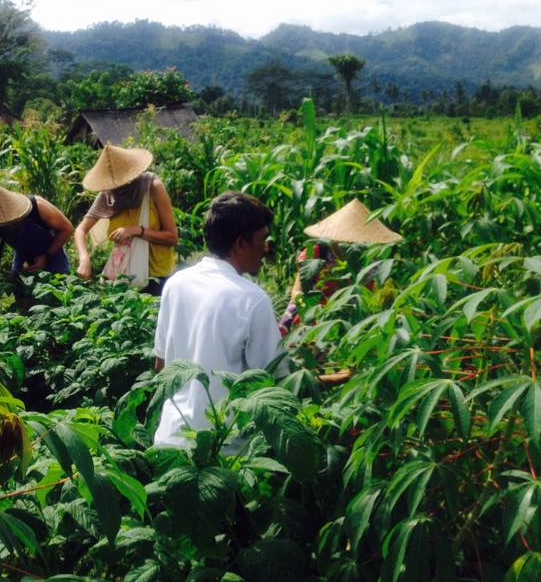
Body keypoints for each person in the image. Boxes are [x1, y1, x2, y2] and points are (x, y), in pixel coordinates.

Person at [153, 191, 285, 450]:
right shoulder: (252, 299)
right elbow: (274, 384)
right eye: (262, 239)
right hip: (224, 452)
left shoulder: (176, 284)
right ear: (239, 244)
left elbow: (161, 367)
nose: (265, 248)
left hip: (170, 441)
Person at [278, 198, 403, 335]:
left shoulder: (372, 263)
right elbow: (297, 292)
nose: (347, 243)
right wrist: (312, 309)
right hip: (313, 320)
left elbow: (375, 300)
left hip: (354, 324)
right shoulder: (315, 254)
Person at [74, 144, 178, 295]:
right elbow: (80, 230)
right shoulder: (109, 195)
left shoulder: (153, 188)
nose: (120, 186)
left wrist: (136, 231)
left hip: (156, 276)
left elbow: (172, 238)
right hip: (124, 274)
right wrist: (84, 259)